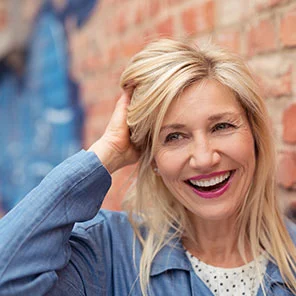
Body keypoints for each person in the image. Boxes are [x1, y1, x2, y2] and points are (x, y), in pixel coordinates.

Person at [0, 39, 295, 296]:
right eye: (174, 137)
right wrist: (108, 152)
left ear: (255, 135)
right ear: (153, 158)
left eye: (221, 126)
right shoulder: (108, 254)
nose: (204, 159)